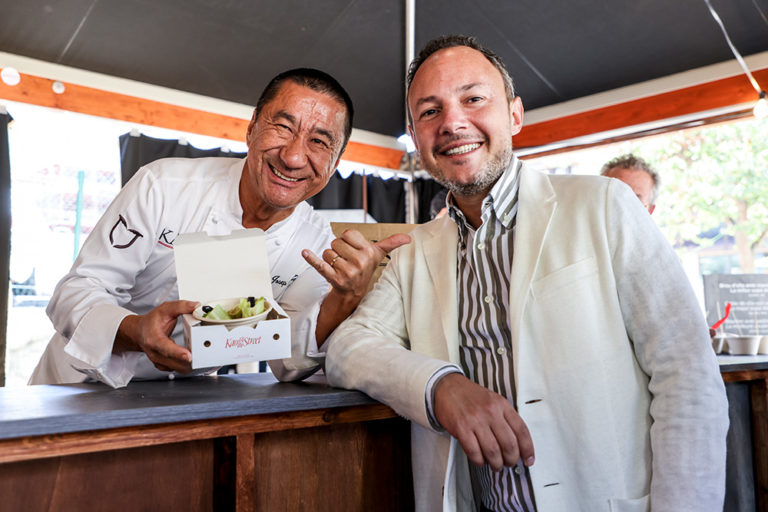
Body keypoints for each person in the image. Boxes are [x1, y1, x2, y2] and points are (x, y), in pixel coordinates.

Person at [325, 35, 728, 511]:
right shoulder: (414, 251)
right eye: (430, 111)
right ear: (416, 138)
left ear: (515, 114)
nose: (452, 122)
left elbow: (686, 376)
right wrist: (441, 387)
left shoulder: (603, 205)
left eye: (473, 99)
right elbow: (348, 348)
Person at [30, 67, 409, 388]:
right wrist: (136, 331)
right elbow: (75, 291)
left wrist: (345, 297)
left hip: (187, 399)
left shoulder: (314, 241)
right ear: (252, 128)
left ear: (335, 162)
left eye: (319, 141)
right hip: (78, 384)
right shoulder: (163, 185)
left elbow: (288, 360)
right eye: (282, 127)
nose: (294, 156)